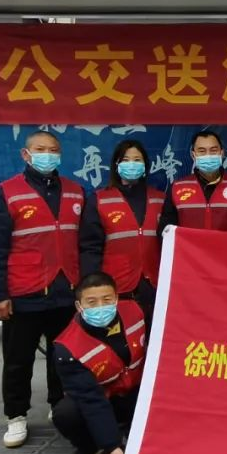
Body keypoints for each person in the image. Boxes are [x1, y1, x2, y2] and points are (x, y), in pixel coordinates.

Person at [0, 130, 83, 448]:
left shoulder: (76, 192)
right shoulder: (7, 193)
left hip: (66, 290)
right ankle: (16, 416)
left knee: (62, 357)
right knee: (18, 359)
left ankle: (59, 405)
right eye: (40, 149)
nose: (47, 155)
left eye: (53, 150)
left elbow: (86, 243)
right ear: (26, 155)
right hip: (25, 290)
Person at [52, 272, 146, 454]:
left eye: (107, 299)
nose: (101, 307)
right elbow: (91, 400)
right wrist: (112, 446)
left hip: (139, 392)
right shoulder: (67, 347)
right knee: (66, 413)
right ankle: (90, 446)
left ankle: (132, 434)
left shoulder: (136, 312)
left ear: (116, 299)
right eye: (92, 302)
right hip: (104, 399)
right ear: (79, 306)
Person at [79, 140, 164, 329]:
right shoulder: (99, 200)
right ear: (116, 165)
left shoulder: (160, 199)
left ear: (145, 165)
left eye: (137, 159)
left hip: (155, 286)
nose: (131, 164)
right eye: (125, 160)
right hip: (116, 288)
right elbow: (90, 248)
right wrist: (92, 288)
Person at [159, 130, 227, 235]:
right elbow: (166, 233)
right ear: (193, 155)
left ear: (222, 153)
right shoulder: (177, 188)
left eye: (213, 150)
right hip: (189, 246)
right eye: (202, 151)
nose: (208, 155)